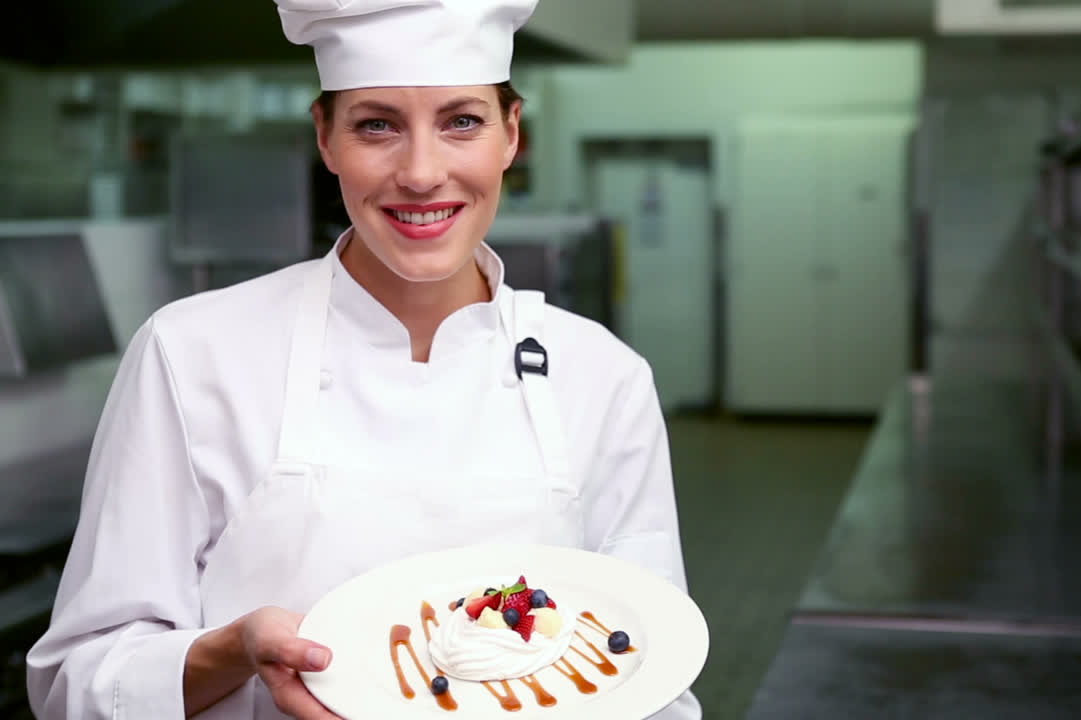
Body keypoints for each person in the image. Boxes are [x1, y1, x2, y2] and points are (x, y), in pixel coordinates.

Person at [25, 1, 702, 718]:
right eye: (377, 125)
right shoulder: (191, 353)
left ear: (511, 136)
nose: (420, 172)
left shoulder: (602, 377)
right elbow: (78, 681)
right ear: (325, 136)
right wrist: (232, 651)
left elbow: (650, 675)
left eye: (461, 122)